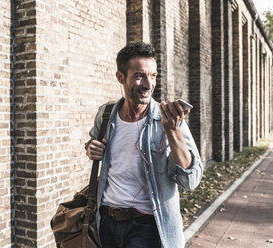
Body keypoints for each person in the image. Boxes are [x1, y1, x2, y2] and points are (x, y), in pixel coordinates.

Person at [85, 42, 203, 248]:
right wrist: (91, 148)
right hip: (106, 221)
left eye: (153, 76)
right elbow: (94, 142)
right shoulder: (106, 114)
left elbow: (190, 180)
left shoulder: (168, 118)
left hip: (148, 225)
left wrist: (173, 131)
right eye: (140, 75)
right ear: (120, 78)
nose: (149, 85)